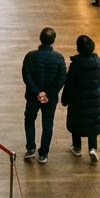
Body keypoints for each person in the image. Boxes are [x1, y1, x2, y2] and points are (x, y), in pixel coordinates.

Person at [21, 27, 67, 162]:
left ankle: (30, 148)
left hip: (32, 96)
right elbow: (61, 78)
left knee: (30, 119)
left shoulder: (30, 56)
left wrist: (37, 92)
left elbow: (26, 76)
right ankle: (43, 153)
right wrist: (48, 93)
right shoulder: (59, 58)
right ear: (53, 40)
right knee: (48, 123)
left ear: (40, 38)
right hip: (50, 98)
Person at [62, 34, 100, 163]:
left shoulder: (75, 64)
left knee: (77, 123)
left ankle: (77, 147)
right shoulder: (99, 62)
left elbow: (69, 84)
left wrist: (65, 99)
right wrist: (99, 96)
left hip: (78, 101)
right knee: (92, 123)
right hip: (94, 100)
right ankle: (93, 148)